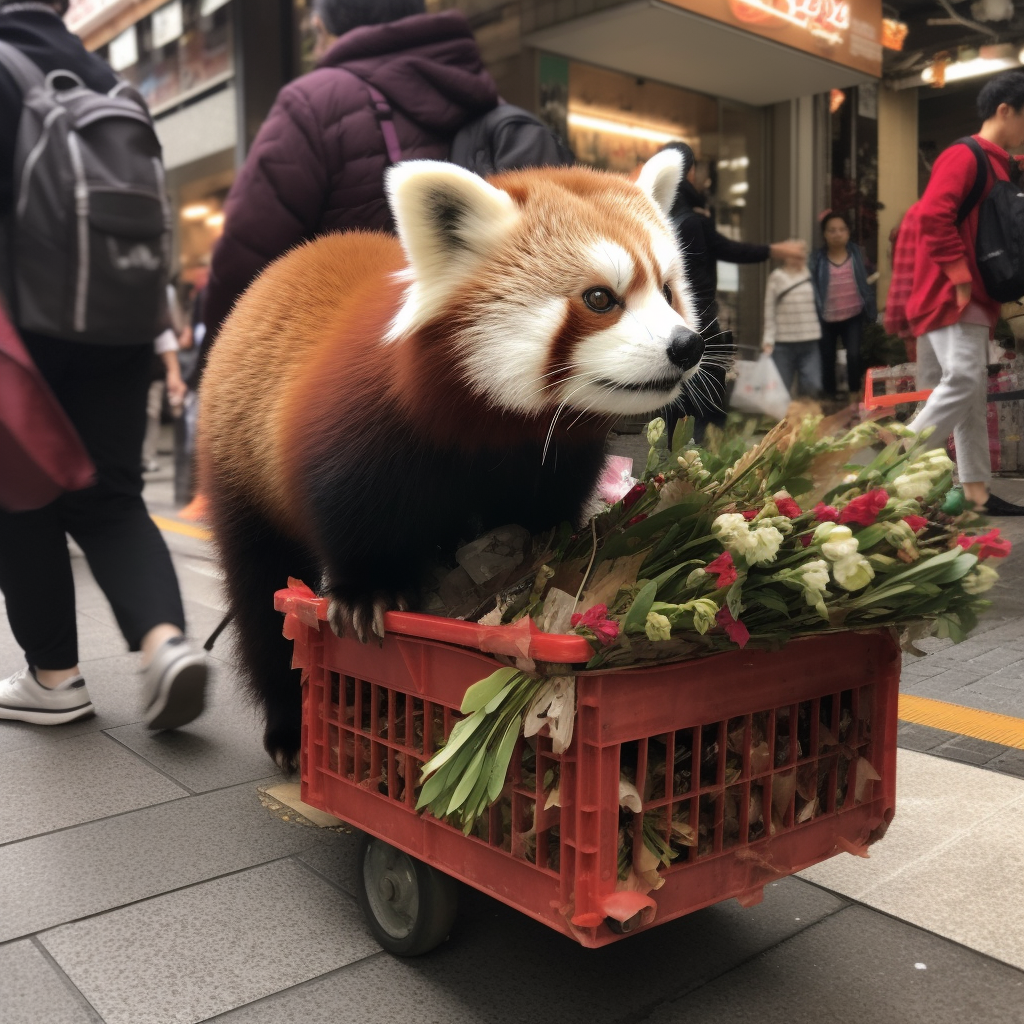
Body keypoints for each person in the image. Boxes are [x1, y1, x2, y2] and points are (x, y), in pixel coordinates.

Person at [0, 0, 209, 727]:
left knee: (21, 497)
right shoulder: (109, 81)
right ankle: (166, 642)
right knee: (114, 497)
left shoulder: (6, 65)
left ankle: (55, 679)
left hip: (24, 324)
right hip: (121, 322)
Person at [200, 0, 499, 362]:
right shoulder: (485, 98)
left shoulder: (312, 103)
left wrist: (217, 358)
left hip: (352, 371)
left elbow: (244, 256)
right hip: (472, 360)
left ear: (322, 28)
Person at [888, 70, 1024, 517]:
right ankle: (894, 461)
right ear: (1005, 110)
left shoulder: (1003, 162)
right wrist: (959, 273)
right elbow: (933, 216)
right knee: (964, 378)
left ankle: (976, 492)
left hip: (973, 295)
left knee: (972, 392)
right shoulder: (964, 154)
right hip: (950, 290)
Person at [660, 142, 806, 439]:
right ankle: (701, 467)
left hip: (666, 321)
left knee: (674, 396)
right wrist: (777, 250)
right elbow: (728, 249)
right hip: (698, 321)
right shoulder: (693, 220)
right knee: (706, 402)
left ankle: (671, 467)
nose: (705, 178)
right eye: (698, 170)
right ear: (688, 173)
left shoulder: (659, 215)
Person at [810, 211, 876, 400]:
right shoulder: (817, 259)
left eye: (841, 229)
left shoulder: (858, 254)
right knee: (827, 357)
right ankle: (830, 397)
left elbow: (868, 279)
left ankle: (855, 395)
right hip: (827, 318)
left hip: (853, 315)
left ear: (848, 233)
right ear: (824, 234)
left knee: (854, 355)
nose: (837, 234)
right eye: (832, 230)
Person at [762, 251, 822, 398]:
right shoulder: (776, 277)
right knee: (781, 389)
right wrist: (768, 339)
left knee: (812, 385)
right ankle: (782, 419)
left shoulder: (810, 274)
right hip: (783, 342)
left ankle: (806, 418)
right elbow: (769, 308)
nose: (797, 257)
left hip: (810, 339)